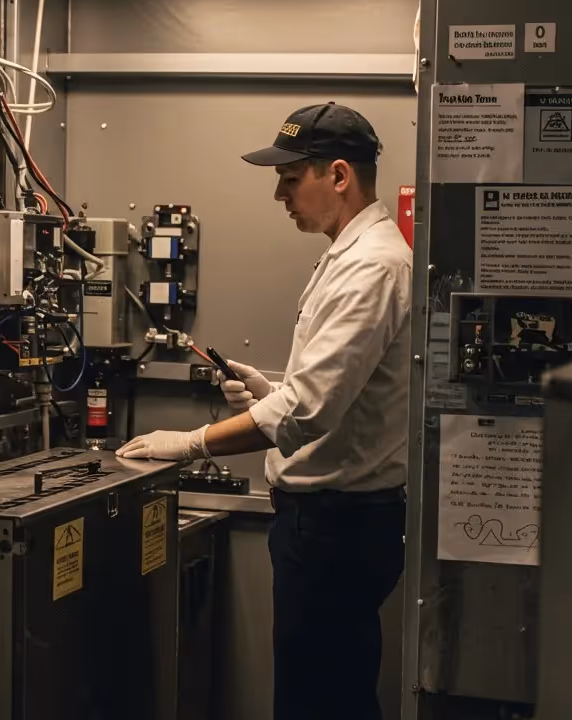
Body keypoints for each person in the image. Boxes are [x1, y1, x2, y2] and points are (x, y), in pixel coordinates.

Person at [117, 103, 411, 720]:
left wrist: (190, 442)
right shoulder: (352, 255)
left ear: (338, 175)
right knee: (331, 692)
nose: (279, 193)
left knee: (319, 703)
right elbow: (328, 389)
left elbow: (308, 412)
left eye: (290, 176)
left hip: (336, 528)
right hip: (332, 524)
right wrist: (268, 385)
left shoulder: (372, 266)